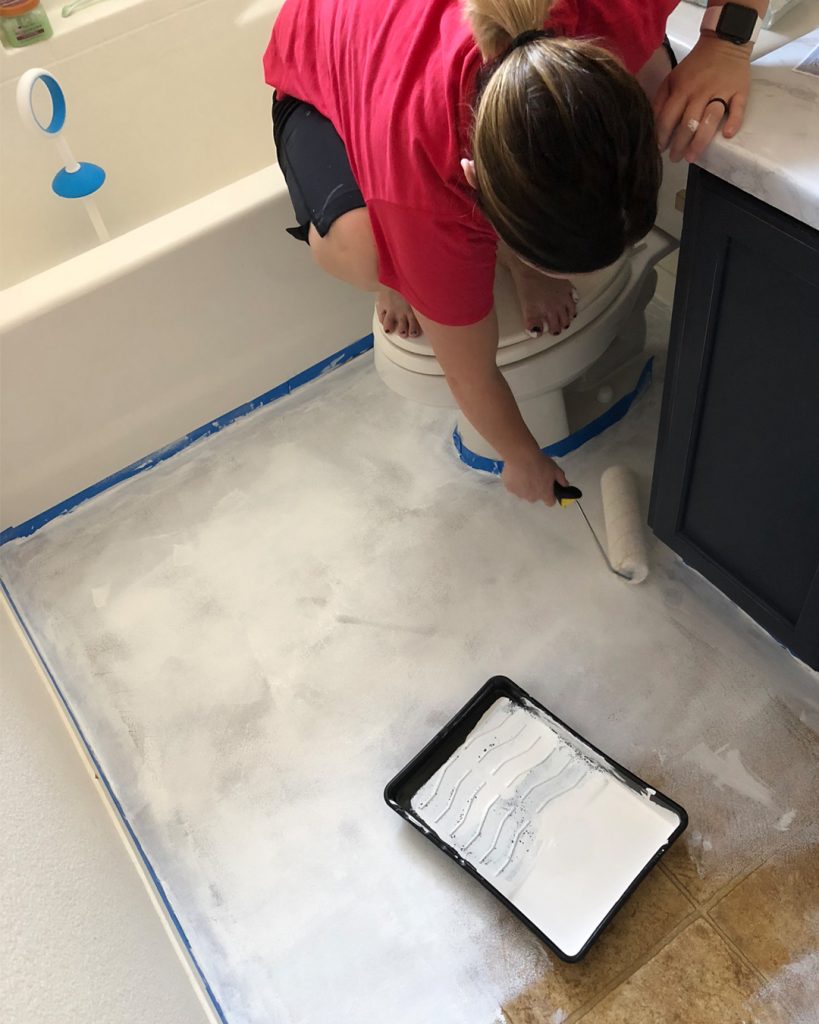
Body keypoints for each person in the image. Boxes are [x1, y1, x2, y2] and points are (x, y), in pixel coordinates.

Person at [263, 0, 765, 505]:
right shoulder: (419, 179)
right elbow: (469, 369)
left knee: (670, 93)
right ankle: (404, 269)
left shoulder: (618, 10)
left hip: (414, 60)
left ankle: (518, 258)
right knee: (368, 253)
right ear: (473, 181)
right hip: (322, 87)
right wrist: (522, 457)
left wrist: (726, 45)